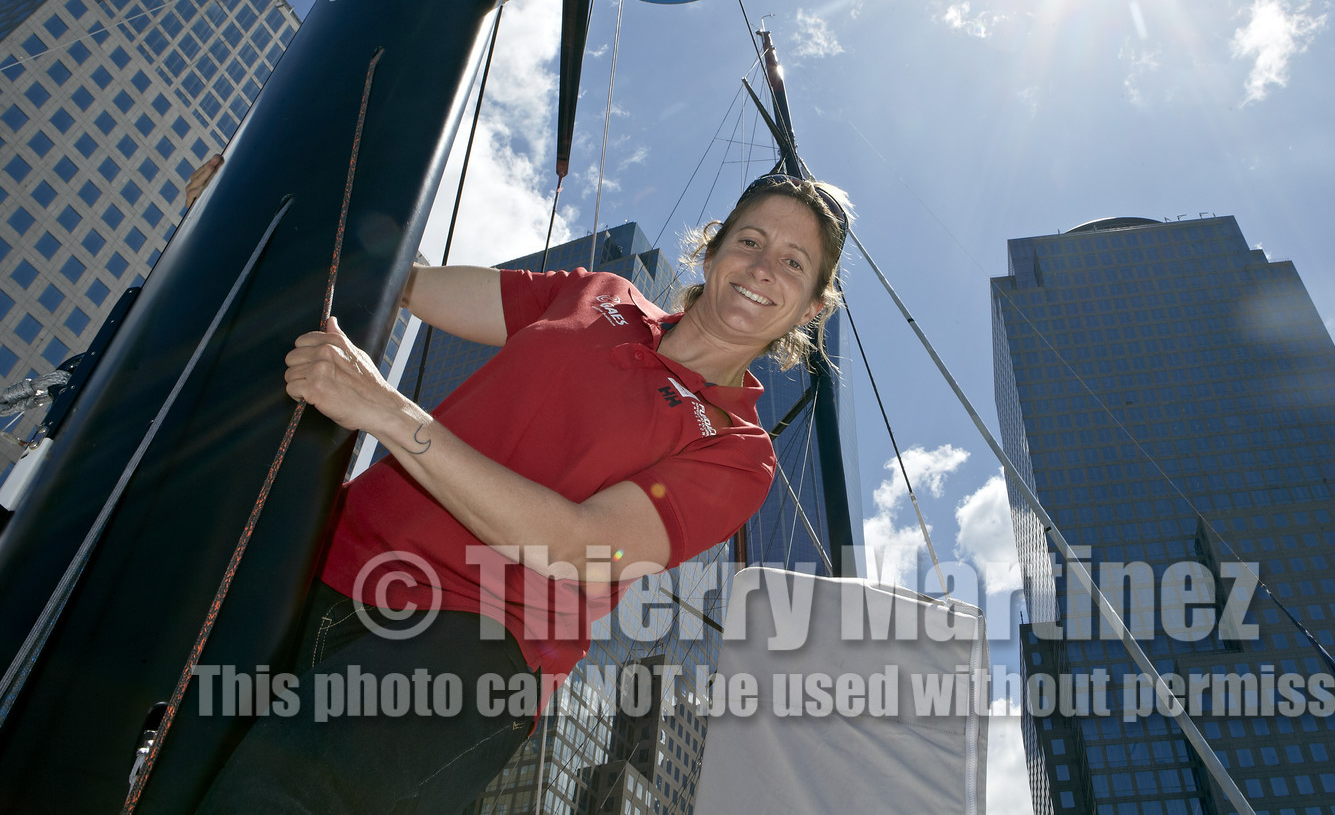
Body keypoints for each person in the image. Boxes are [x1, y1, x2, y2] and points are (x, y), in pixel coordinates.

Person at [197, 172, 851, 814]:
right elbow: (407, 284)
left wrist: (389, 414)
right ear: (712, 252)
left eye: (794, 262)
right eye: (750, 241)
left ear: (814, 306)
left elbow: (579, 547)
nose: (764, 266)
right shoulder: (599, 294)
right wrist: (261, 209)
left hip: (478, 640)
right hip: (328, 555)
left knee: (274, 794)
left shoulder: (738, 452)